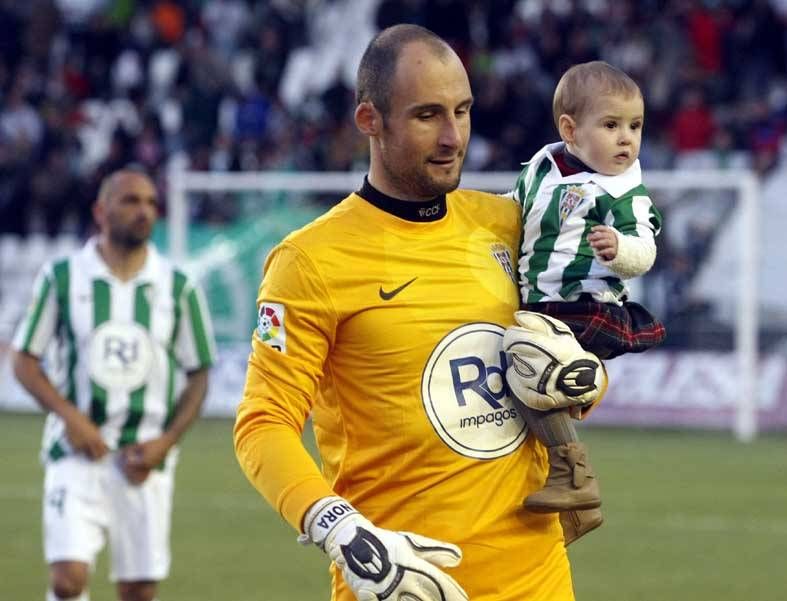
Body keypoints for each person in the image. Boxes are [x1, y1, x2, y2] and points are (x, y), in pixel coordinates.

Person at [234, 24, 606, 601]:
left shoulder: (507, 223)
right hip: (404, 583)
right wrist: (339, 528)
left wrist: (579, 377)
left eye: (463, 110)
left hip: (538, 577)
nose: (453, 136)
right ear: (369, 121)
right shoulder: (309, 262)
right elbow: (263, 425)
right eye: (427, 115)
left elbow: (575, 380)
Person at [11, 169, 216, 601]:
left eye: (149, 203)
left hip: (143, 459)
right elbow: (24, 359)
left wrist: (168, 441)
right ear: (100, 212)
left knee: (138, 591)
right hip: (74, 453)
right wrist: (69, 417)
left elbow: (200, 373)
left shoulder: (179, 287)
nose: (143, 211)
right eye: (130, 201)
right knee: (68, 580)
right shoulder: (62, 277)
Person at [510, 61, 665, 515]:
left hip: (585, 305)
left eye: (635, 126)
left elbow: (645, 249)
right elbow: (510, 212)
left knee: (528, 360)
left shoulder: (622, 190)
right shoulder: (542, 167)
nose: (626, 138)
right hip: (537, 303)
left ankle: (575, 476)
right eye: (612, 124)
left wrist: (620, 249)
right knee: (516, 383)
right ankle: (576, 507)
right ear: (570, 129)